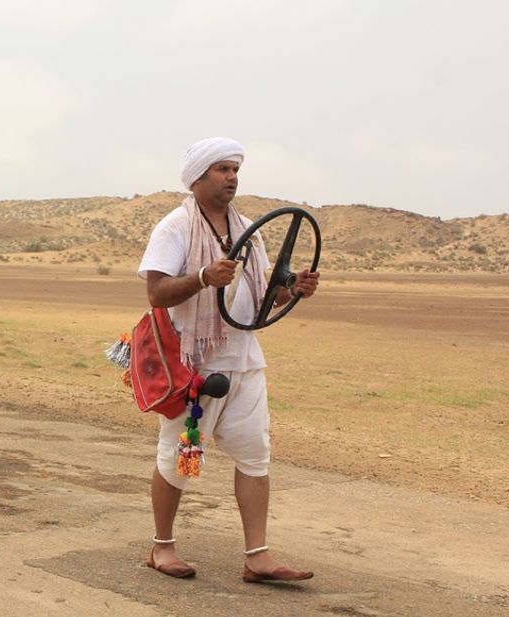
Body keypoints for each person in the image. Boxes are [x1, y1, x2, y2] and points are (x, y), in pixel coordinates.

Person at [138, 137, 320, 582]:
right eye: (222, 169)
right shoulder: (175, 228)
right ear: (197, 178)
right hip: (195, 364)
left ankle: (257, 557)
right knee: (177, 456)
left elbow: (262, 296)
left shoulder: (248, 232)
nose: (232, 177)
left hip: (244, 360)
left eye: (235, 170)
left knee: (256, 455)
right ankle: (162, 547)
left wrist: (293, 288)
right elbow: (156, 293)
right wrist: (203, 277)